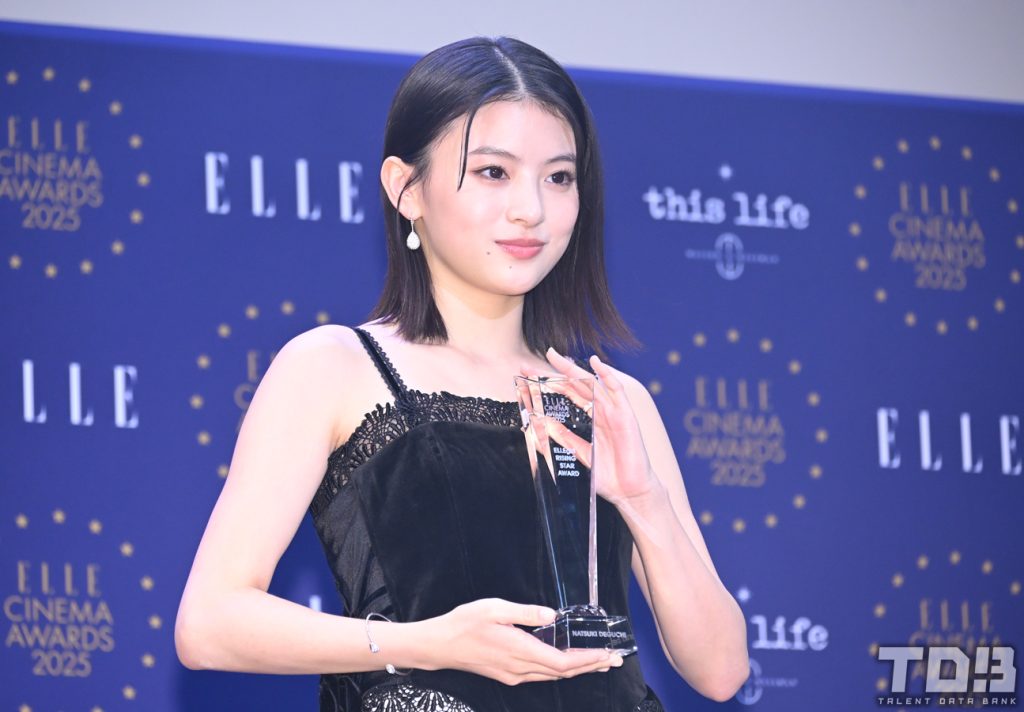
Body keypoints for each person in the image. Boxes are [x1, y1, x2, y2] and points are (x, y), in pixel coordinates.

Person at [175, 36, 749, 711]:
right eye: (493, 172)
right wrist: (428, 643)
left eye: (559, 178)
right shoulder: (333, 367)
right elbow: (210, 623)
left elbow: (721, 670)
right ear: (406, 187)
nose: (531, 208)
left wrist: (644, 502)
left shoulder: (614, 401)